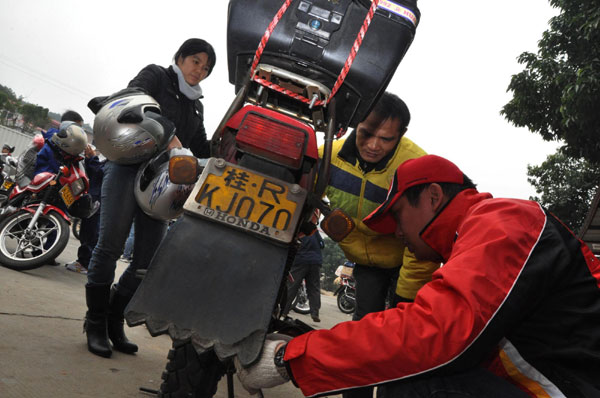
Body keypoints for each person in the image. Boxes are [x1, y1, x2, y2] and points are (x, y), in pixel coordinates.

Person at [234, 154, 600, 398]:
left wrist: (290, 359)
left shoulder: (504, 221)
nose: (396, 233)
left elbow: (434, 333)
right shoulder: (469, 241)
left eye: (397, 217)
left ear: (433, 196)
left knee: (414, 385)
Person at [84, 38, 216, 358]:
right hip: (127, 167)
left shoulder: (196, 105)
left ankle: (115, 319)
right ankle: (95, 321)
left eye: (206, 67)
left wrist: (223, 157)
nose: (200, 70)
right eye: (196, 61)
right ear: (181, 58)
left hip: (161, 184)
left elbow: (200, 146)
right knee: (110, 246)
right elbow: (134, 98)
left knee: (145, 263)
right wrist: (170, 135)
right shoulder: (157, 75)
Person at [318, 92, 439, 397]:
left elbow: (424, 238)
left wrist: (405, 298)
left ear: (401, 136)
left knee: (400, 343)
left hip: (410, 259)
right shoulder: (329, 155)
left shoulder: (417, 168)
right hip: (367, 262)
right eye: (366, 134)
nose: (373, 145)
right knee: (364, 336)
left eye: (386, 139)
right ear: (354, 125)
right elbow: (300, 180)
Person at [65, 144, 105, 274]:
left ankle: (85, 263)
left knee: (91, 234)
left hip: (98, 201)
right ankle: (83, 261)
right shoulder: (110, 161)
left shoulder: (116, 162)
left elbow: (99, 173)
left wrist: (92, 158)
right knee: (87, 232)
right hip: (95, 199)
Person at [281, 232, 325, 322]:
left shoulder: (299, 230)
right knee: (314, 288)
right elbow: (322, 244)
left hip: (300, 261)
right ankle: (315, 313)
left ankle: (283, 312)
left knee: (291, 287)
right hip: (315, 262)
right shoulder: (314, 231)